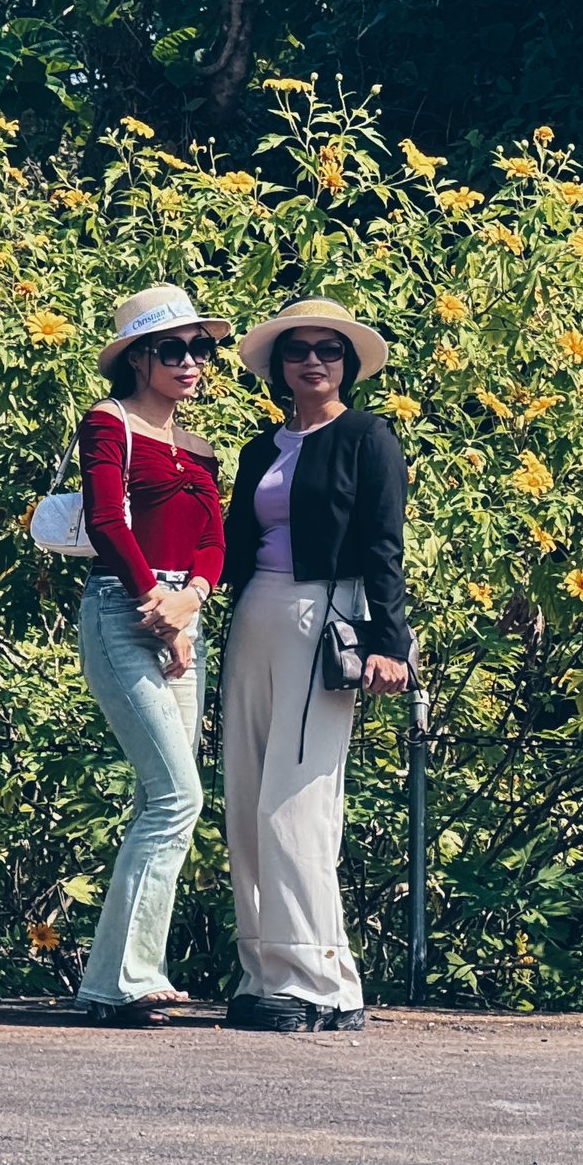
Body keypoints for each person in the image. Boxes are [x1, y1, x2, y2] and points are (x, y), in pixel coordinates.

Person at [216, 298, 414, 1033]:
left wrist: (389, 644)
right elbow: (230, 545)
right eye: (297, 350)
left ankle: (321, 980)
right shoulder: (258, 450)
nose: (313, 361)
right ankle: (263, 971)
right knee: (246, 797)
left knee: (297, 802)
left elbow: (384, 546)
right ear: (278, 367)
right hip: (254, 616)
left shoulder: (368, 438)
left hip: (325, 617)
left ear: (347, 364)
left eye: (329, 350)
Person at [71, 283, 232, 1028]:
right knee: (177, 796)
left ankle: (111, 980)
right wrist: (156, 608)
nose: (193, 361)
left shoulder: (199, 448)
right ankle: (132, 973)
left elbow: (214, 540)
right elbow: (107, 520)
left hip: (182, 613)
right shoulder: (110, 423)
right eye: (175, 348)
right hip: (122, 606)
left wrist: (191, 602)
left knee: (160, 798)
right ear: (139, 357)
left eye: (203, 347)